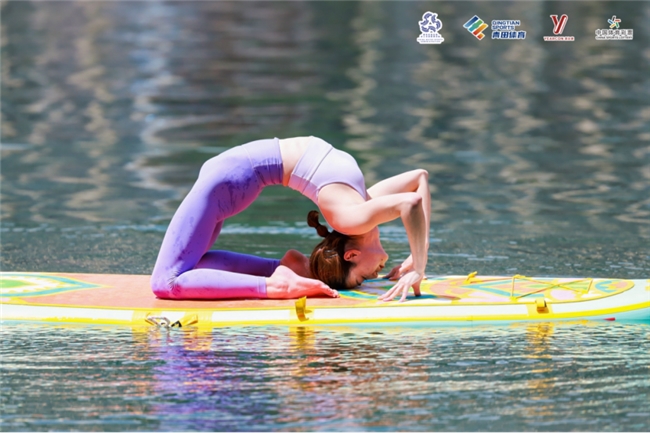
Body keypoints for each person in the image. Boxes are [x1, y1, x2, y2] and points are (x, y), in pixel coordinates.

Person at [151, 136, 430, 302]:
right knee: (166, 282)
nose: (374, 275)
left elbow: (419, 178)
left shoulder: (362, 207)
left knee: (196, 265)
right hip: (231, 179)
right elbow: (411, 201)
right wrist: (418, 264)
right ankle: (277, 284)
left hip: (232, 176)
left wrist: (416, 256)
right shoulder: (351, 218)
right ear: (351, 255)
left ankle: (285, 270)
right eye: (362, 279)